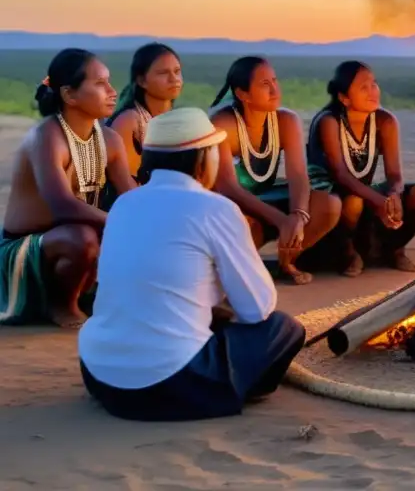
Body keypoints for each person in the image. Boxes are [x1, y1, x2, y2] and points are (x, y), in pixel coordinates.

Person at [78, 108, 305, 421]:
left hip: (100, 375)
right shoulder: (216, 208)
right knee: (283, 327)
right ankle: (239, 388)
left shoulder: (123, 205)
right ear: (203, 158)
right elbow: (257, 308)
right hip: (171, 385)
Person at [1, 49, 135, 328]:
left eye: (109, 81)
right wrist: (117, 222)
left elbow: (132, 198)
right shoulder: (46, 136)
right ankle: (61, 305)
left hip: (74, 239)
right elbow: (61, 204)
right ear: (69, 95)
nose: (112, 91)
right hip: (26, 249)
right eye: (99, 84)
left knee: (135, 233)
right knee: (83, 237)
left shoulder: (109, 140)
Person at [209, 57, 341, 285]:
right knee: (248, 228)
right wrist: (282, 220)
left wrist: (298, 216)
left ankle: (286, 261)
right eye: (264, 84)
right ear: (243, 94)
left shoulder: (286, 120)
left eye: (275, 80)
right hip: (234, 205)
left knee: (329, 205)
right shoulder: (223, 124)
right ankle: (241, 269)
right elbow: (227, 187)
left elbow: (298, 175)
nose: (274, 89)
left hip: (268, 195)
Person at [307, 61, 415, 276]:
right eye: (363, 87)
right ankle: (349, 253)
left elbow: (394, 174)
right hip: (332, 201)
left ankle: (394, 249)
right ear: (344, 98)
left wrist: (394, 194)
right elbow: (340, 175)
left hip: (365, 195)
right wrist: (379, 201)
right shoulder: (329, 122)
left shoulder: (385, 121)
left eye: (374, 84)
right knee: (353, 202)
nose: (373, 91)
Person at [107, 42, 183, 181]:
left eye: (177, 71)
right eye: (163, 73)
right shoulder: (129, 121)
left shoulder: (178, 119)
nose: (174, 79)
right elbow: (123, 184)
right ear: (142, 81)